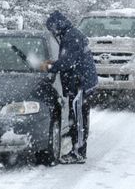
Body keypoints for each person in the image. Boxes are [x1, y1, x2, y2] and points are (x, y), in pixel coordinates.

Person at [41, 11, 98, 164]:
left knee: (79, 119)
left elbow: (68, 62)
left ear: (57, 25)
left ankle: (78, 153)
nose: (52, 32)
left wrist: (50, 66)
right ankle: (77, 149)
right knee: (78, 118)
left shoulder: (71, 37)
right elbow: (69, 59)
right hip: (81, 82)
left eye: (52, 28)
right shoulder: (71, 34)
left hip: (80, 84)